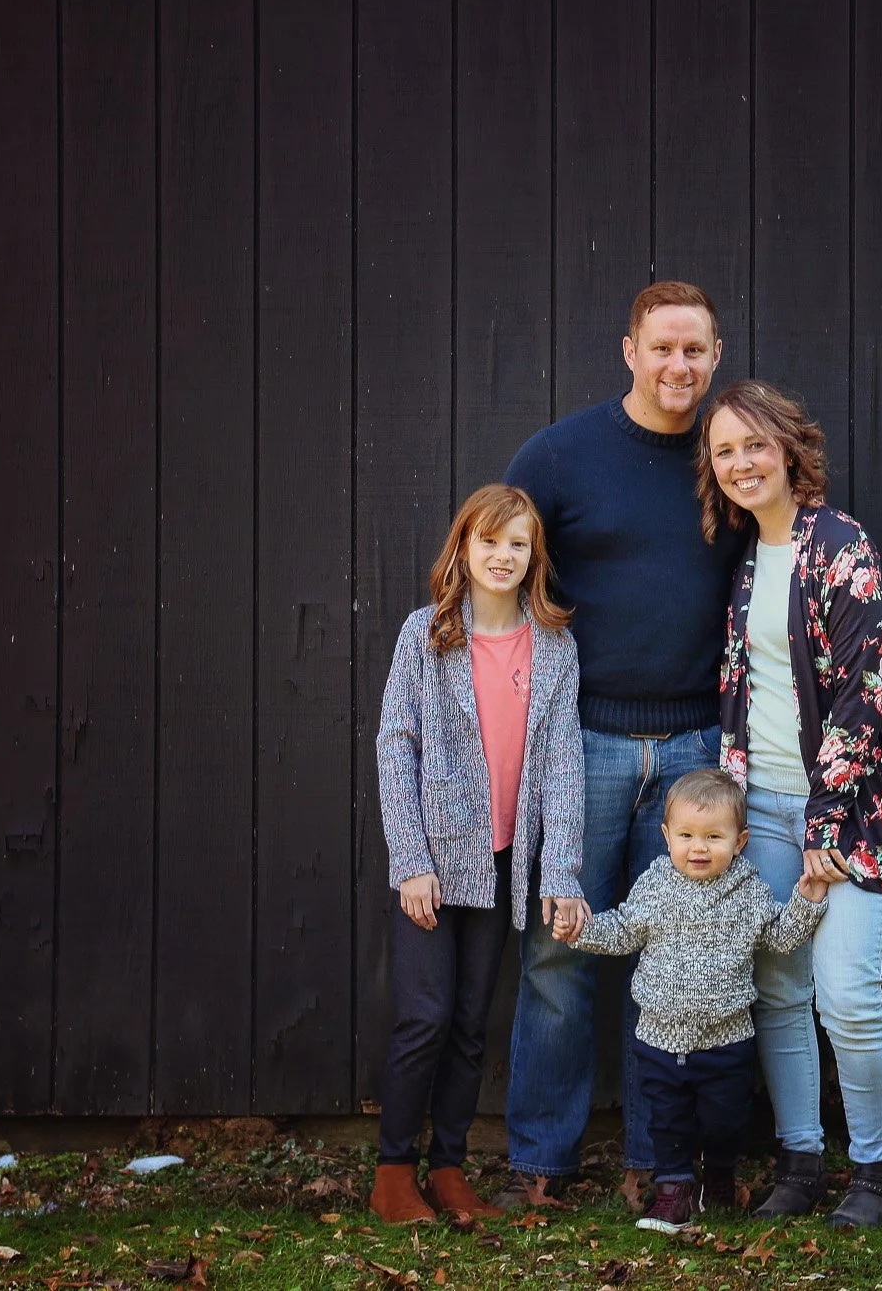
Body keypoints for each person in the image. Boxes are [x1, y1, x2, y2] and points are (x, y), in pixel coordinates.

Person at [497, 282, 748, 1204]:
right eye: (662, 348)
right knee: (560, 954)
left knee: (678, 961)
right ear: (629, 351)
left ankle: (662, 1163)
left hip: (695, 750)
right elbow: (500, 565)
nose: (678, 366)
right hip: (583, 745)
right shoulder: (561, 454)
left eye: (696, 350)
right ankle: (542, 1165)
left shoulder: (730, 455)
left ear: (716, 356)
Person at [698, 380, 882, 1228]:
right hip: (766, 805)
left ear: (788, 448)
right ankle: (800, 1159)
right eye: (724, 452)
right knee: (779, 988)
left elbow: (865, 691)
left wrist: (827, 819)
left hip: (849, 815)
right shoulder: (749, 558)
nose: (742, 463)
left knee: (847, 992)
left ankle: (877, 1169)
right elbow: (743, 691)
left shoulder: (840, 545)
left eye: (754, 445)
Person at [370, 483, 586, 1224]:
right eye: (489, 540)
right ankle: (394, 1170)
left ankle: (449, 1168)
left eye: (518, 543)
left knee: (469, 1023)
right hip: (433, 864)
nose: (503, 554)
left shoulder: (554, 649)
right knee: (424, 1016)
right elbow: (395, 745)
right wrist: (410, 858)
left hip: (502, 865)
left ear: (534, 557)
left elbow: (562, 765)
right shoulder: (425, 636)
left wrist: (558, 871)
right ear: (464, 546)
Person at [552, 768, 830, 1233]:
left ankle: (719, 1173)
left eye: (713, 837)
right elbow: (623, 931)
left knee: (725, 1120)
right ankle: (673, 1193)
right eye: (686, 835)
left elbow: (781, 939)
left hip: (726, 1041)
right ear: (666, 836)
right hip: (660, 1038)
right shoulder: (656, 885)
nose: (698, 848)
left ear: (740, 841)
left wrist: (806, 901)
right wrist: (581, 931)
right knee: (668, 1122)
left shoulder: (748, 891)